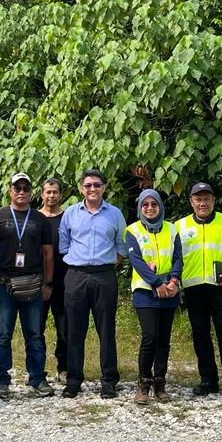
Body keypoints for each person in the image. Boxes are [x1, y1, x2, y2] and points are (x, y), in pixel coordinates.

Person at [0, 173, 55, 399]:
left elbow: (48, 254)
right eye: (17, 188)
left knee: (35, 334)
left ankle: (37, 378)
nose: (22, 192)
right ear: (10, 191)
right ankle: (2, 381)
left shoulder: (39, 219)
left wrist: (48, 284)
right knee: (3, 334)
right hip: (4, 284)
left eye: (26, 188)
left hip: (33, 284)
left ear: (32, 192)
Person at [60, 169, 128, 399]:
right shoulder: (70, 213)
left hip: (104, 276)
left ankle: (108, 380)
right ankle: (73, 379)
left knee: (106, 329)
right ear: (81, 188)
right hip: (76, 276)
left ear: (104, 188)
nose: (92, 189)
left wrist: (107, 264)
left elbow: (121, 245)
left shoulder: (115, 214)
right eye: (88, 185)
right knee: (74, 330)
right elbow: (64, 244)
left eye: (97, 185)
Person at [177, 182, 222, 400]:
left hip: (220, 286)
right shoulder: (179, 226)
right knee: (200, 334)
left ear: (213, 200)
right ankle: (208, 380)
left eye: (206, 198)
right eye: (198, 199)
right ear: (191, 202)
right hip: (193, 287)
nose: (202, 203)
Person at [126, 189, 182, 404]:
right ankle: (143, 382)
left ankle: (160, 382)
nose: (149, 208)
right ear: (140, 208)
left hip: (170, 289)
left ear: (160, 206)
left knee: (163, 339)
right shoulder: (132, 230)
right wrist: (156, 282)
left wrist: (173, 281)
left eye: (154, 204)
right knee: (150, 336)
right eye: (145, 205)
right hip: (145, 291)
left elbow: (178, 257)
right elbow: (137, 261)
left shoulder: (171, 228)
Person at [39, 177, 68, 382]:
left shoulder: (68, 217)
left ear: (61, 195)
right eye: (48, 192)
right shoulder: (33, 218)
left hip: (65, 280)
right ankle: (36, 370)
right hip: (37, 281)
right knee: (36, 327)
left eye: (55, 192)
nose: (51, 196)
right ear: (41, 194)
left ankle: (64, 368)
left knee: (65, 327)